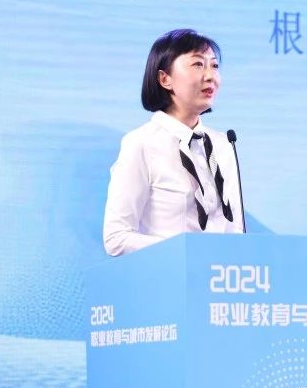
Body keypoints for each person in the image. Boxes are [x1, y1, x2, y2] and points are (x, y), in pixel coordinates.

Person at [103, 29, 245, 256]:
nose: (210, 76)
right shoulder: (141, 143)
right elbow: (116, 238)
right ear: (164, 79)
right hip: (167, 274)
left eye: (214, 66)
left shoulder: (223, 145)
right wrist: (184, 252)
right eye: (198, 64)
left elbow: (234, 230)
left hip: (219, 275)